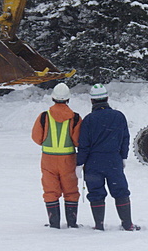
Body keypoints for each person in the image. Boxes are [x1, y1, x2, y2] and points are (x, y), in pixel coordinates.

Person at [76, 83, 140, 231]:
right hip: (114, 161)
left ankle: (99, 225)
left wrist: (79, 164)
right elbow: (125, 138)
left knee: (96, 193)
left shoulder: (88, 120)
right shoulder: (119, 116)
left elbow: (83, 145)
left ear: (92, 101)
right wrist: (123, 157)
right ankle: (127, 224)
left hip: (93, 163)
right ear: (107, 98)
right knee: (120, 191)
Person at [32, 82, 82, 229]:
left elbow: (36, 137)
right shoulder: (76, 118)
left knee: (50, 191)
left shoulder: (44, 117)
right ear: (68, 99)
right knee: (71, 191)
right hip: (68, 160)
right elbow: (78, 141)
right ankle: (72, 223)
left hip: (48, 160)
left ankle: (54, 223)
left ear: (53, 98)